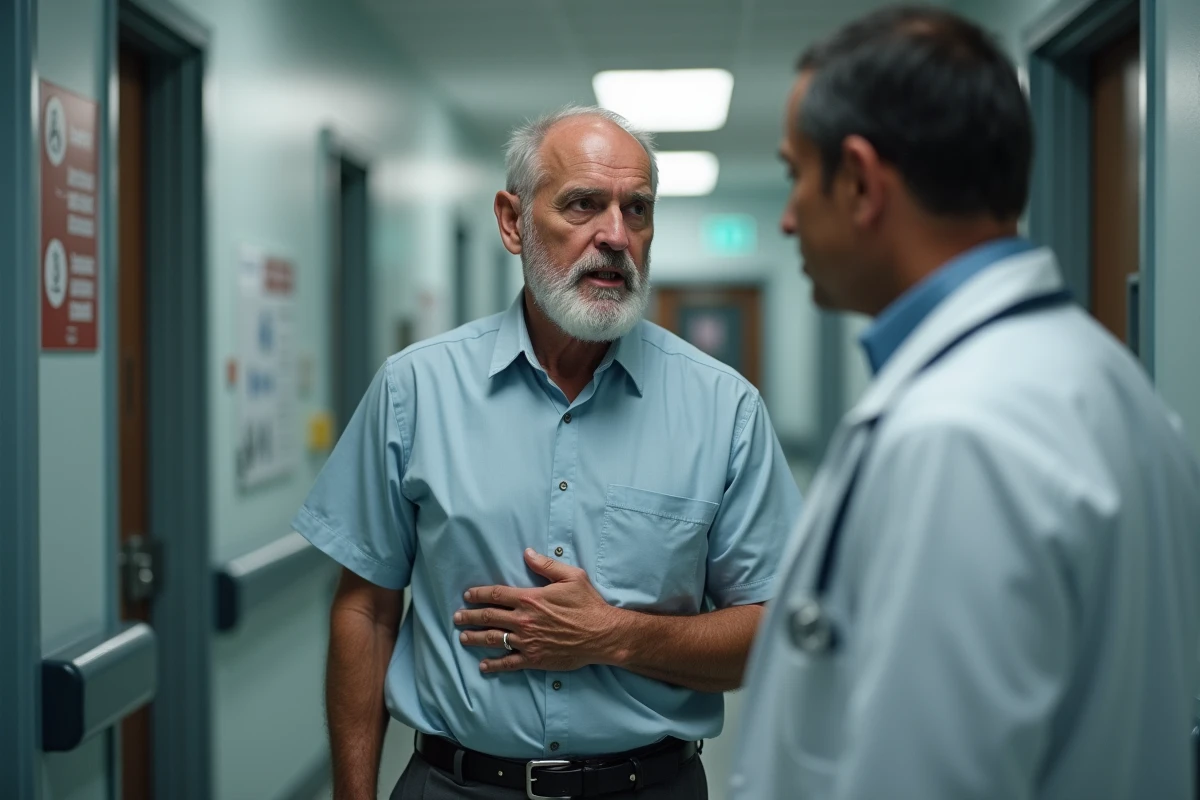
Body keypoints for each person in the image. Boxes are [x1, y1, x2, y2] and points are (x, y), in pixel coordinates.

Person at [731, 6, 1200, 799]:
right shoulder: (1106, 381)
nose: (787, 218)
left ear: (859, 181)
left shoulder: (959, 435)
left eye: (795, 176)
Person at [293, 105, 802, 800]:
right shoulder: (416, 390)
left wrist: (615, 636)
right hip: (454, 784)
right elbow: (367, 609)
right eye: (583, 205)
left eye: (638, 209)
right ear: (513, 221)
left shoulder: (725, 409)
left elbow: (770, 628)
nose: (616, 236)